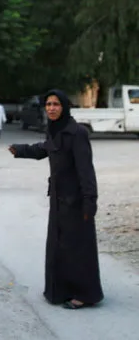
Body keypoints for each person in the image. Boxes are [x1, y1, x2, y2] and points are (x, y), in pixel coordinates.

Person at [9, 90, 104, 310]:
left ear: (65, 107)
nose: (51, 108)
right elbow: (45, 149)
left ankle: (85, 294)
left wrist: (90, 200)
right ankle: (60, 291)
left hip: (77, 200)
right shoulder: (56, 130)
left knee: (78, 247)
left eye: (56, 104)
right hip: (59, 200)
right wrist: (21, 150)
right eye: (48, 104)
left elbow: (86, 170)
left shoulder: (77, 133)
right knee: (58, 246)